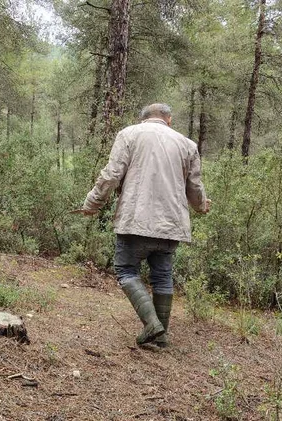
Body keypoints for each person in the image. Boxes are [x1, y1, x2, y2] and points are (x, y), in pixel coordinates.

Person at [78, 103, 211, 349]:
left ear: (143, 119)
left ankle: (152, 325)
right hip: (171, 224)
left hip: (135, 220)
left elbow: (111, 175)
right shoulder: (187, 144)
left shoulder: (128, 134)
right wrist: (202, 205)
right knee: (162, 276)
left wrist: (92, 203)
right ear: (168, 120)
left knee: (126, 270)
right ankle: (160, 337)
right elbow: (195, 187)